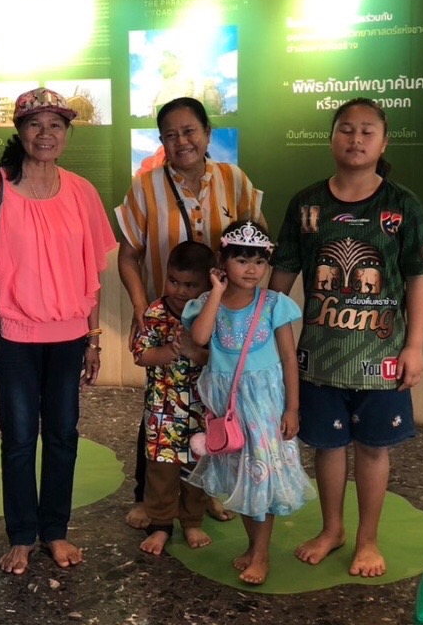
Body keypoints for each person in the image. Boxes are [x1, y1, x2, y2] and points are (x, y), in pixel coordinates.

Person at [0, 87, 117, 576]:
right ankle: (22, 536)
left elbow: (92, 274)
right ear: (19, 131)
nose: (46, 134)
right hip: (15, 335)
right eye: (35, 124)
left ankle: (56, 531)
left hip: (69, 335)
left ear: (67, 133)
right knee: (20, 436)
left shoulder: (82, 191)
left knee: (64, 434)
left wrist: (93, 338)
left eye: (56, 125)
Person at [269, 97, 423, 578]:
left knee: (374, 448)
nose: (355, 139)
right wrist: (260, 330)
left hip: (382, 357)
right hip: (319, 357)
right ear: (331, 138)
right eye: (346, 129)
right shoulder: (306, 204)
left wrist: (415, 346)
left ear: (383, 142)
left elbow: (418, 277)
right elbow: (281, 278)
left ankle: (368, 540)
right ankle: (332, 530)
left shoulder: (402, 205)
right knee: (327, 446)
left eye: (367, 131)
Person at [114, 96, 265, 529]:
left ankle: (209, 492)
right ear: (161, 141)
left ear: (207, 133)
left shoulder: (234, 180)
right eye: (170, 134)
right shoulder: (145, 187)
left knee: (215, 403)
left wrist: (252, 307)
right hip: (167, 318)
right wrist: (141, 307)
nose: (181, 141)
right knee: (162, 406)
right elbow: (128, 255)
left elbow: (256, 243)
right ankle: (150, 498)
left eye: (189, 131)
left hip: (224, 317)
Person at [184, 220, 314, 585]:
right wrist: (215, 291)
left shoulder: (274, 304)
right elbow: (200, 337)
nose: (252, 269)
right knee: (240, 476)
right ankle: (253, 545)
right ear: (222, 262)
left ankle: (261, 555)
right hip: (228, 408)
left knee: (261, 477)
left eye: (259, 261)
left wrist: (292, 408)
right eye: (241, 260)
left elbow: (289, 359)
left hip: (264, 406)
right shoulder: (207, 304)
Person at [131, 240, 215, 556]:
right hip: (162, 411)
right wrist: (170, 351)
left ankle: (192, 521)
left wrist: (194, 351)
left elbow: (218, 359)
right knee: (161, 472)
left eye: (190, 285)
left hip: (201, 412)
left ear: (208, 283)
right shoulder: (155, 312)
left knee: (197, 469)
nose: (180, 291)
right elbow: (141, 355)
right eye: (174, 281)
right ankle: (161, 525)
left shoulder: (211, 314)